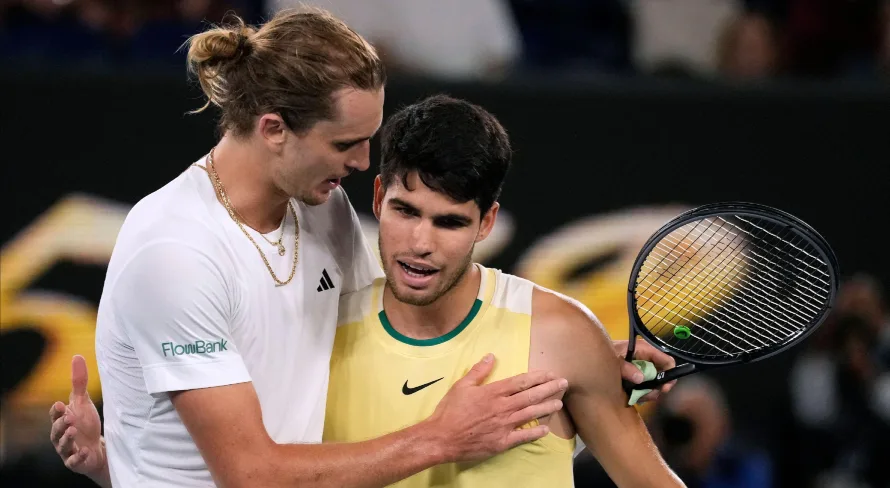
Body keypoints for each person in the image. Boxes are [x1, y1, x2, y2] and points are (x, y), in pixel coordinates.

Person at [45, 7, 675, 488]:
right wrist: (440, 439)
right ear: (274, 130)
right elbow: (250, 474)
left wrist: (580, 364)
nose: (363, 162)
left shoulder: (322, 208)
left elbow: (381, 337)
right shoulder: (177, 252)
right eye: (346, 143)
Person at [322, 94, 684, 487]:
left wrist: (591, 357)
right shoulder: (321, 334)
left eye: (449, 222)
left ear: (486, 223)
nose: (420, 243)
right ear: (378, 198)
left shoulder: (562, 335)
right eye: (405, 211)